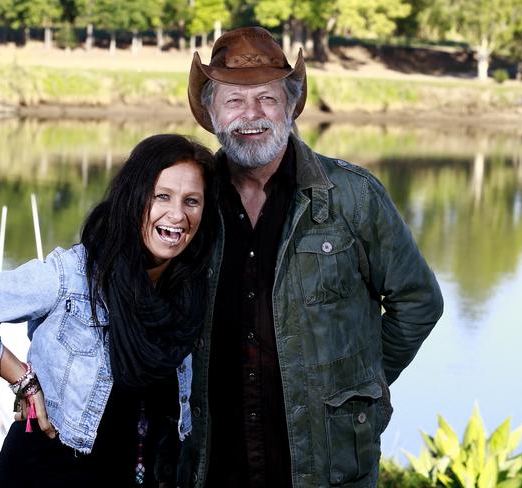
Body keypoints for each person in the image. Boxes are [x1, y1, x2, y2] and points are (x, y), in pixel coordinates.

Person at [180, 27, 444, 488]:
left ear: (290, 106)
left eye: (266, 98)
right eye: (235, 101)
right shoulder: (188, 199)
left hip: (326, 463)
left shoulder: (352, 195)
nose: (252, 115)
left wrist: (359, 386)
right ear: (212, 113)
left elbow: (418, 300)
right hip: (212, 458)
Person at [0, 134, 217, 487]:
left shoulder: (190, 295)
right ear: (133, 197)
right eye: (162, 196)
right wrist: (24, 381)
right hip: (47, 476)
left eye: (192, 201)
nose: (178, 215)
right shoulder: (73, 276)